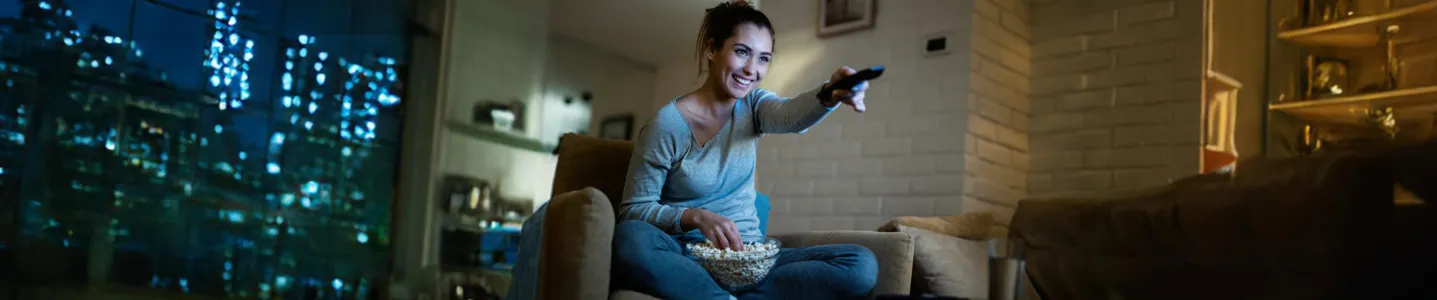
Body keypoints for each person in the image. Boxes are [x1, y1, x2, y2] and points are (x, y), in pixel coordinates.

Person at [610, 1, 878, 299]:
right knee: (630, 239)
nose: (752, 69)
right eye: (742, 52)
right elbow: (633, 211)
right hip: (688, 259)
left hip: (752, 260)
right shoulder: (667, 125)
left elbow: (791, 115)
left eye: (763, 58)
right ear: (712, 49)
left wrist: (829, 94)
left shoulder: (753, 106)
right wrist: (695, 216)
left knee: (860, 263)